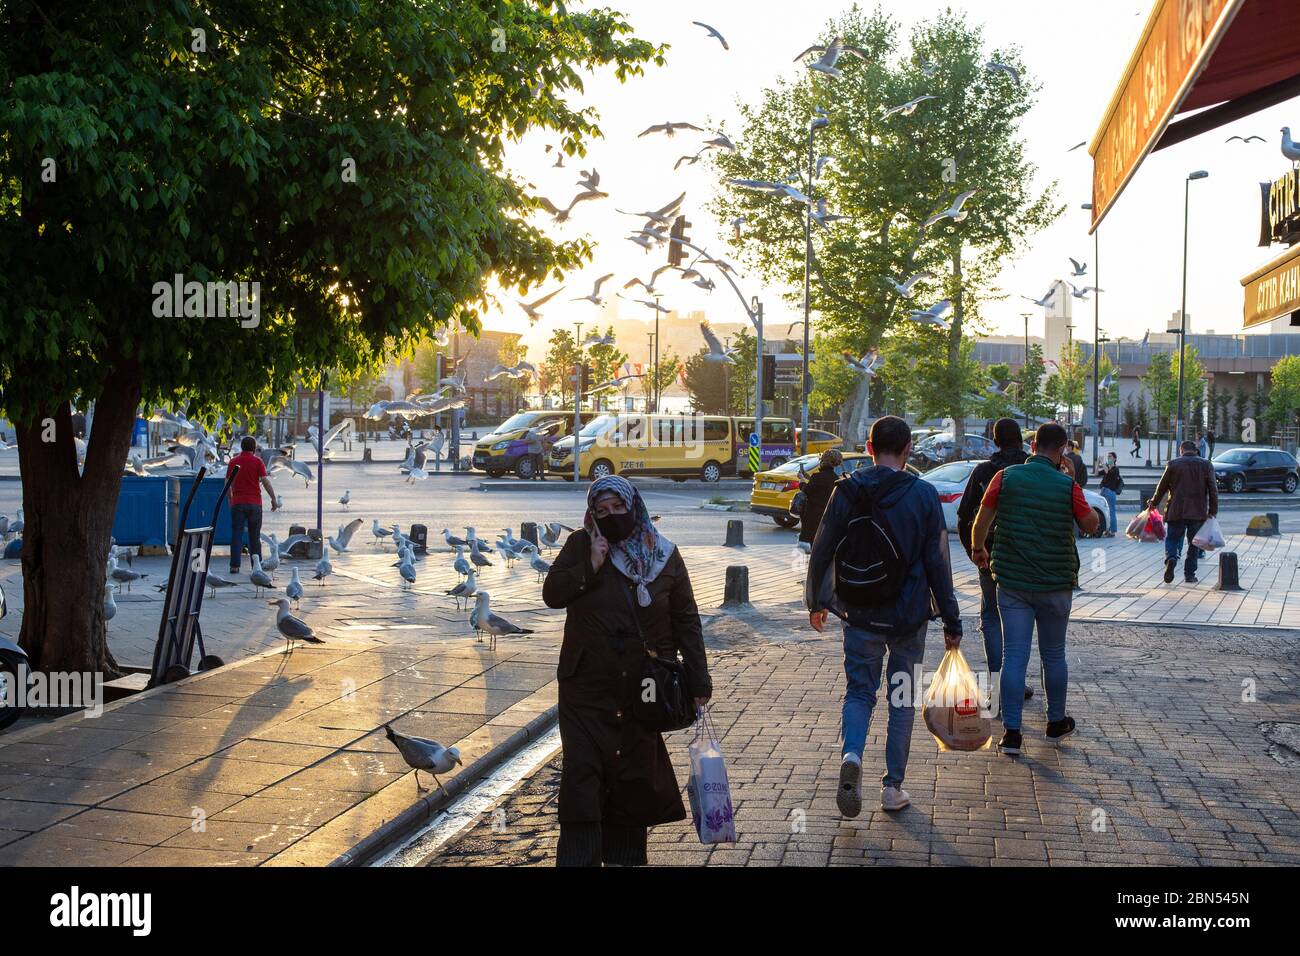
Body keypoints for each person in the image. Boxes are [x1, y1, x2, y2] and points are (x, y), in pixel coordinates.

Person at [542, 476, 711, 866]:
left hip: (643, 691)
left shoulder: (665, 555)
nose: (611, 517)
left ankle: (624, 860)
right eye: (602, 511)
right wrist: (591, 564)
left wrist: (699, 681)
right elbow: (552, 594)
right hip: (586, 690)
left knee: (631, 779)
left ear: (634, 508)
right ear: (592, 515)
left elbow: (686, 619)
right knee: (582, 777)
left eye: (618, 508)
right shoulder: (581, 545)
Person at [806, 416, 962, 816]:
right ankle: (892, 789)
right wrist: (951, 619)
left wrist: (817, 601)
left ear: (870, 447)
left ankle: (853, 756)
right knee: (901, 698)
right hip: (908, 616)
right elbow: (938, 562)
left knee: (859, 692)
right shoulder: (924, 495)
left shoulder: (847, 490)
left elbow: (822, 547)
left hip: (858, 611)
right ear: (908, 449)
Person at [970, 422, 1099, 756]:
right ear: (1060, 451)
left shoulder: (1006, 477)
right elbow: (1091, 524)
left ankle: (1012, 733)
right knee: (1053, 654)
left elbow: (981, 519)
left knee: (1015, 654)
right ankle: (1055, 722)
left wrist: (979, 549)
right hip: (1056, 583)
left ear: (1034, 446)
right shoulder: (1066, 484)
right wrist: (1072, 483)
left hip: (1012, 583)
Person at [956, 418, 1031, 711]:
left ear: (994, 440)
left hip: (990, 552)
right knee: (1021, 617)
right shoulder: (1032, 470)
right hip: (1026, 555)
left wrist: (975, 550)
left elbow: (965, 517)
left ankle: (998, 684)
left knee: (991, 614)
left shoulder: (984, 471)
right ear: (1021, 440)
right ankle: (1016, 681)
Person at [1150, 439, 1218, 584]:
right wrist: (1213, 510)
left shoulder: (1173, 464)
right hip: (1198, 512)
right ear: (1195, 451)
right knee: (1194, 543)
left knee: (1172, 539)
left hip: (1176, 510)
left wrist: (1153, 503)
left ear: (1181, 451)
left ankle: (1171, 559)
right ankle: (1189, 574)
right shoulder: (1206, 465)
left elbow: (1161, 487)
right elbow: (1213, 489)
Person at [226, 436, 279, 574]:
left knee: (236, 534)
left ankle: (234, 566)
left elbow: (227, 483)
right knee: (254, 536)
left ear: (242, 447)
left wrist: (229, 499)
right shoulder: (257, 461)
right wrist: (273, 498)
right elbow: (265, 481)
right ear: (254, 448)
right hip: (255, 504)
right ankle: (257, 565)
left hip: (238, 503)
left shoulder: (233, 461)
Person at [798, 448, 843, 546]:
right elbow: (823, 486)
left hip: (813, 518)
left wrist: (801, 479)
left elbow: (806, 489)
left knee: (812, 546)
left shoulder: (817, 477)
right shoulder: (836, 479)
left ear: (823, 461)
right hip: (828, 519)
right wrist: (808, 478)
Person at [1097, 451, 1123, 537]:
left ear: (1115, 459)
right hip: (1103, 490)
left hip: (1110, 492)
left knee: (1111, 511)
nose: (1108, 458)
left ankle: (1113, 531)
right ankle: (1107, 529)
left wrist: (1102, 462)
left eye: (1110, 457)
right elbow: (1097, 473)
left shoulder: (1115, 469)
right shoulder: (1107, 468)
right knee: (1104, 511)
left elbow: (1108, 472)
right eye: (1108, 457)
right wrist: (1098, 463)